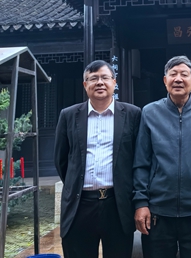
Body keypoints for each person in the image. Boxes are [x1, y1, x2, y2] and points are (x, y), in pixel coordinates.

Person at [133, 55, 191, 258]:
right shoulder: (149, 112)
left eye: (184, 74)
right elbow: (141, 162)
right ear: (165, 80)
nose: (178, 79)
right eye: (173, 74)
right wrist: (141, 203)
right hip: (157, 212)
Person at [54, 60, 141, 258]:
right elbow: (61, 159)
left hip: (117, 204)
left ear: (114, 82)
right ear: (85, 85)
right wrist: (75, 184)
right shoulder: (69, 115)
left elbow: (139, 157)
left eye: (104, 77)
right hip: (80, 205)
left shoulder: (132, 114)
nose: (99, 82)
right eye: (93, 79)